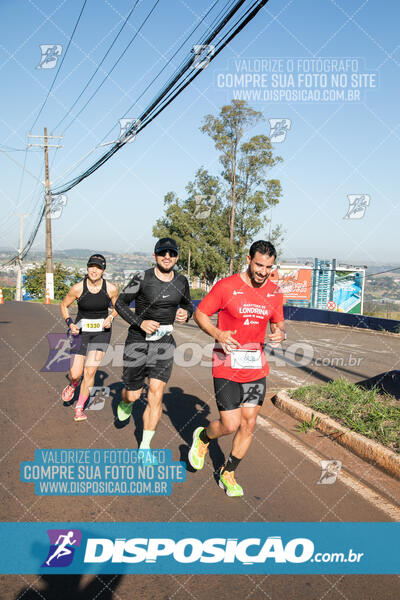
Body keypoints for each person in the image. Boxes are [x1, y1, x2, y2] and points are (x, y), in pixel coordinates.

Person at [188, 240, 286, 497]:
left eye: (268, 266)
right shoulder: (226, 286)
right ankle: (204, 438)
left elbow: (278, 324)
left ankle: (228, 471)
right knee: (230, 424)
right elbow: (200, 314)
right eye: (258, 265)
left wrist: (279, 333)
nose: (263, 271)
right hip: (226, 364)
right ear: (248, 259)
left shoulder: (275, 293)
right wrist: (218, 333)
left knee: (249, 422)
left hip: (255, 367)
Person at [115, 238, 193, 454]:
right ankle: (126, 402)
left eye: (171, 253)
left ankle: (145, 446)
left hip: (164, 343)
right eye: (162, 253)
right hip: (138, 341)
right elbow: (120, 303)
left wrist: (186, 314)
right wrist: (140, 322)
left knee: (156, 392)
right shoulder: (141, 278)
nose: (167, 256)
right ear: (155, 255)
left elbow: (188, 305)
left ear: (176, 257)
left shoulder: (181, 281)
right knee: (133, 394)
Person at [60, 254, 118, 422]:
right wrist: (70, 323)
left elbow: (118, 307)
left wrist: (111, 317)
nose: (94, 270)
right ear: (87, 268)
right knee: (76, 373)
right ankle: (73, 384)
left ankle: (79, 407)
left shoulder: (111, 289)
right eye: (92, 266)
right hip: (81, 332)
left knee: (90, 371)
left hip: (101, 333)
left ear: (103, 270)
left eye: (98, 267)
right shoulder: (78, 288)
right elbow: (64, 305)